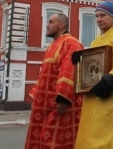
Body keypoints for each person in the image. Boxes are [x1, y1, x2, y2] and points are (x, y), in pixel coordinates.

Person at [72, 0, 113, 149]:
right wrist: (81, 62)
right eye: (96, 16)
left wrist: (109, 81)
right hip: (92, 101)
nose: (98, 19)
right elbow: (93, 68)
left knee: (109, 142)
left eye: (102, 15)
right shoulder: (97, 41)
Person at [25, 13, 84, 149]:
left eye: (51, 22)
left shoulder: (71, 43)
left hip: (60, 105)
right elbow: (44, 74)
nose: (47, 25)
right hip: (44, 105)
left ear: (61, 25)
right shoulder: (52, 45)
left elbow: (69, 70)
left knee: (56, 142)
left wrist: (63, 99)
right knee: (40, 138)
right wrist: (36, 96)